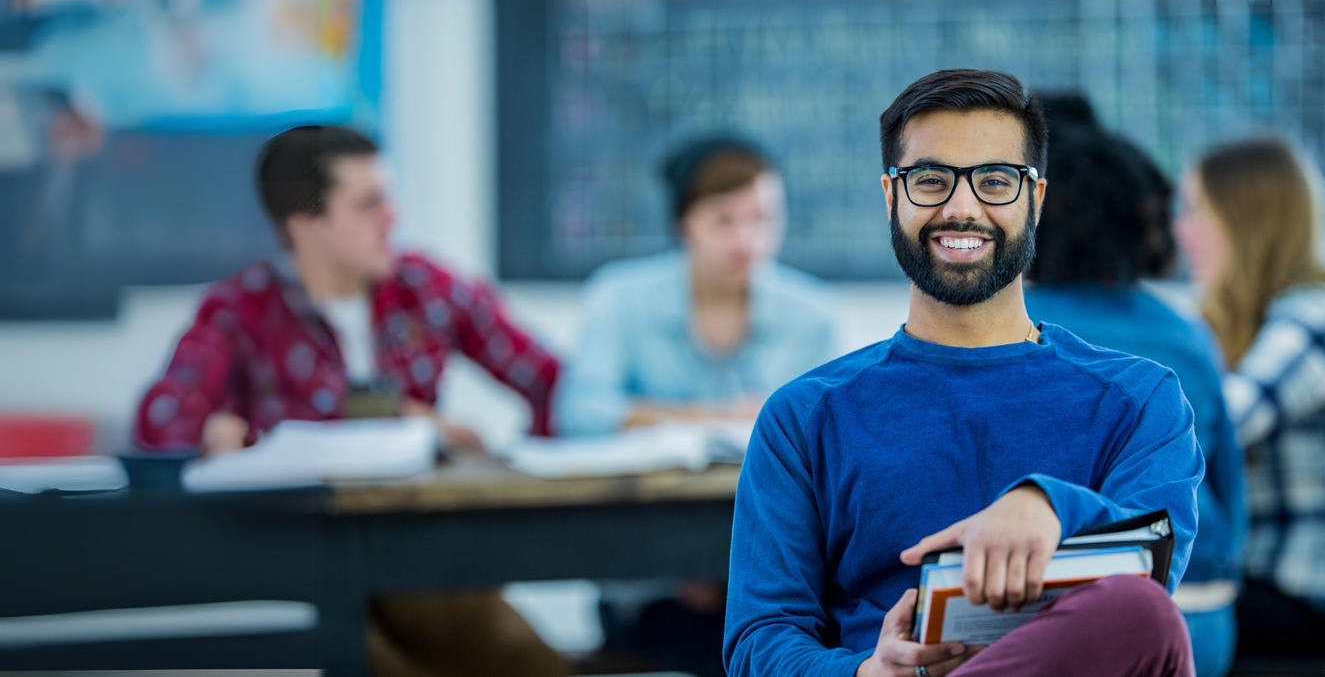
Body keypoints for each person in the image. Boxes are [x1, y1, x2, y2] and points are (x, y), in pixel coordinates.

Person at [724, 69, 1203, 677]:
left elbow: (1152, 565)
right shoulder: (803, 418)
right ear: (891, 196)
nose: (961, 207)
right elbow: (759, 640)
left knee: (1143, 614)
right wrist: (864, 673)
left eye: (996, 181)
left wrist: (1049, 508)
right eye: (929, 180)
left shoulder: (1141, 401)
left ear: (1037, 199)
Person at [132, 124, 566, 677]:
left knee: (529, 662)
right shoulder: (239, 310)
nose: (393, 217)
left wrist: (512, 475)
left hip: (422, 559)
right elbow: (159, 424)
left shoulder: (423, 287)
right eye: (369, 204)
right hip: (300, 567)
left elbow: (551, 381)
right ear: (306, 223)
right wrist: (216, 432)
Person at [556, 135, 836, 677]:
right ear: (685, 222)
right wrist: (721, 417)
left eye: (761, 219)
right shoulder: (620, 297)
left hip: (777, 579)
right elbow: (582, 413)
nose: (746, 240)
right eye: (724, 220)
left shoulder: (812, 314)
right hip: (648, 579)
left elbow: (831, 442)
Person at [1026, 107, 1247, 677]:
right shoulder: (1187, 335)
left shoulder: (1015, 328)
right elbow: (1227, 493)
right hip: (1205, 617)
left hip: (1070, 615)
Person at [1174, 138, 1325, 668]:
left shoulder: (1320, 320)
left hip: (1314, 603)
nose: (1180, 229)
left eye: (1195, 210)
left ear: (1246, 220)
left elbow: (1211, 429)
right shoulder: (1257, 321)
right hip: (1266, 589)